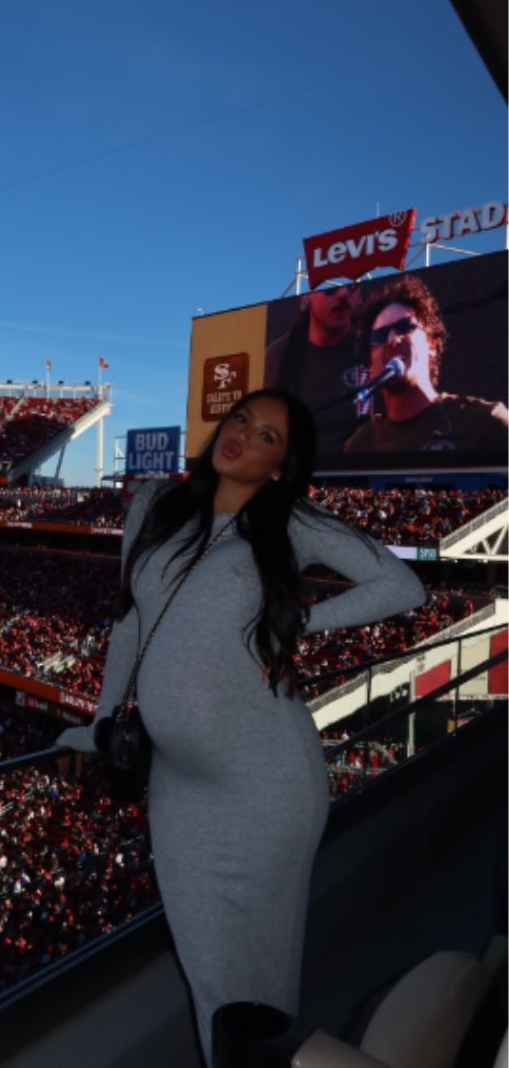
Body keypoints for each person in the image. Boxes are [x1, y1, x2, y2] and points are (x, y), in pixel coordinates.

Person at [52, 388, 424, 1066]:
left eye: (267, 437)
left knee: (261, 987)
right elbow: (129, 622)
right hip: (181, 789)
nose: (244, 436)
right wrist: (101, 722)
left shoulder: (293, 522)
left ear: (280, 467)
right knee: (210, 979)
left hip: (270, 785)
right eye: (242, 420)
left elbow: (403, 586)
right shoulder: (154, 504)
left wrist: (295, 624)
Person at [342, 275, 509, 456]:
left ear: (432, 345)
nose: (392, 339)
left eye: (404, 327)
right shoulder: (359, 446)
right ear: (369, 363)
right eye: (380, 336)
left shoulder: (485, 422)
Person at [264, 279, 365, 454]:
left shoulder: (372, 348)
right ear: (306, 297)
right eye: (330, 288)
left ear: (359, 296)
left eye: (351, 286)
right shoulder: (279, 355)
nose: (343, 294)